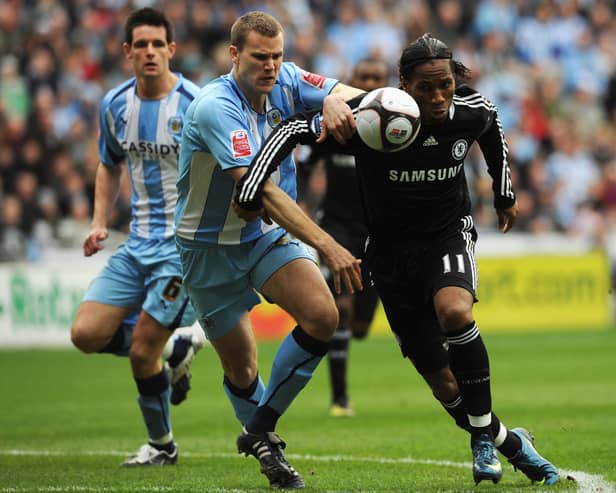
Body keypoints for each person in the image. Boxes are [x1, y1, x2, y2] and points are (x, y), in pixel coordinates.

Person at [234, 33, 560, 486]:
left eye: (445, 84)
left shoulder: (467, 111)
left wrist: (504, 191)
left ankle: (482, 441)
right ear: (403, 84)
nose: (439, 96)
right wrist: (252, 184)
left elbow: (491, 125)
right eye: (426, 88)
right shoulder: (371, 118)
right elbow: (290, 130)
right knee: (444, 384)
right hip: (388, 257)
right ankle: (508, 441)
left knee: (454, 310)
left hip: (448, 236)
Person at [174, 11, 363, 489]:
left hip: (262, 239)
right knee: (241, 366)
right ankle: (263, 443)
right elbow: (261, 192)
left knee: (323, 315)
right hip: (208, 248)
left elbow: (345, 92)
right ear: (235, 55)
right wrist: (328, 245)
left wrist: (346, 104)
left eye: (278, 56)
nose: (271, 66)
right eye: (260, 57)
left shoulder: (289, 79)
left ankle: (260, 430)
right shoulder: (215, 106)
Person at [70, 7, 205, 467]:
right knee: (85, 333)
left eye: (157, 44)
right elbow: (108, 164)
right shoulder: (115, 105)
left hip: (181, 246)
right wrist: (97, 221)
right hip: (135, 244)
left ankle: (162, 446)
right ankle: (177, 346)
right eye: (140, 45)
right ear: (127, 52)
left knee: (142, 349)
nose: (149, 52)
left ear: (172, 49)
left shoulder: (195, 103)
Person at [297, 57, 387, 417]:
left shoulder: (399, 125)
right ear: (352, 80)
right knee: (343, 309)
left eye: (375, 77)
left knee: (362, 327)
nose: (368, 82)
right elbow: (303, 165)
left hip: (377, 233)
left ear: (387, 83)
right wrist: (300, 205)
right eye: (362, 76)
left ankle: (340, 391)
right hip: (335, 227)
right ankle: (339, 399)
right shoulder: (338, 124)